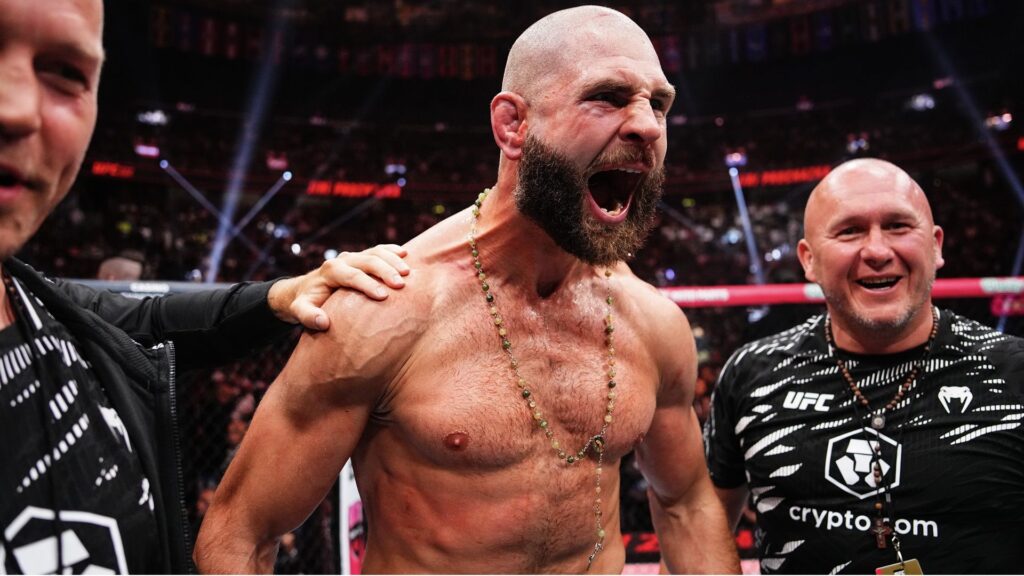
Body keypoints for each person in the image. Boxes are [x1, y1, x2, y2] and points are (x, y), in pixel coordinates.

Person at [196, 5, 739, 574]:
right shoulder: (387, 309)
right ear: (512, 125)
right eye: (607, 97)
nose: (648, 126)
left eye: (659, 104)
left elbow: (686, 505)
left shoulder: (652, 322)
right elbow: (239, 534)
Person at [0, 0, 411, 573]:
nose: (16, 109)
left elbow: (150, 319)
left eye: (66, 72)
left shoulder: (45, 310)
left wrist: (282, 295)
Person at [704, 158, 1024, 574]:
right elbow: (694, 524)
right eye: (850, 231)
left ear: (935, 246)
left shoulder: (1013, 372)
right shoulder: (752, 375)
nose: (877, 251)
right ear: (808, 259)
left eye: (898, 226)